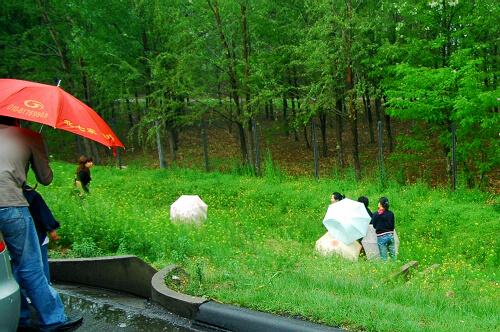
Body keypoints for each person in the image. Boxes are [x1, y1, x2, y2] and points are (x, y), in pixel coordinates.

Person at [0, 116, 82, 331]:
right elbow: (45, 178)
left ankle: (18, 318)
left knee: (4, 270)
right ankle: (53, 320)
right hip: (11, 207)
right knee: (29, 267)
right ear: (17, 119)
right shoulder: (29, 136)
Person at [23, 184, 61, 281]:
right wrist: (52, 229)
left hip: (25, 237)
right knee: (42, 269)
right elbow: (43, 212)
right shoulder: (31, 194)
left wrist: (51, 229)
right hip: (37, 236)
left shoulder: (7, 195)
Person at [371, 196, 396, 261]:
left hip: (381, 237)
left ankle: (386, 269)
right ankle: (396, 266)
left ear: (380, 204)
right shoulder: (391, 213)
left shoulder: (376, 214)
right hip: (390, 235)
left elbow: (374, 226)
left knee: (384, 257)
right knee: (393, 256)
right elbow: (393, 226)